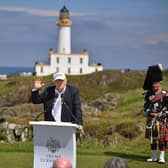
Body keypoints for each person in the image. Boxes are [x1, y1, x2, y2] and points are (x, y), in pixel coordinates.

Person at [143, 64, 168, 164]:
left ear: (160, 83)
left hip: (162, 120)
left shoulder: (165, 94)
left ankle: (161, 157)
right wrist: (150, 113)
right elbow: (145, 107)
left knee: (162, 140)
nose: (155, 85)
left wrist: (162, 114)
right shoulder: (148, 95)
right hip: (151, 119)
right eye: (153, 83)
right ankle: (153, 156)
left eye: (156, 83)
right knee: (152, 139)